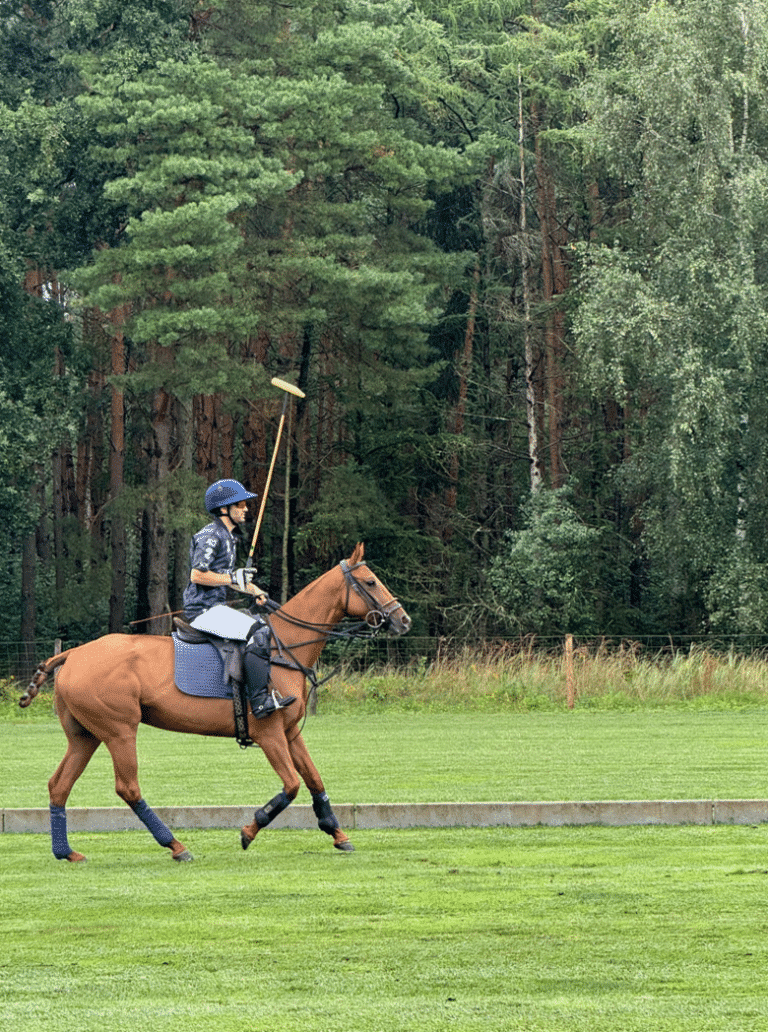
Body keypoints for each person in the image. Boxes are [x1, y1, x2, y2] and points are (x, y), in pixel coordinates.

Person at [182, 478, 295, 719]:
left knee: (265, 627)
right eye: (240, 504)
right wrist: (233, 577)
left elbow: (229, 578)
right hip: (202, 610)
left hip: (216, 606)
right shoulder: (211, 535)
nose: (246, 509)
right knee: (259, 633)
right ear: (224, 509)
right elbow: (197, 575)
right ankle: (259, 702)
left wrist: (255, 590)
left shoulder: (229, 538)